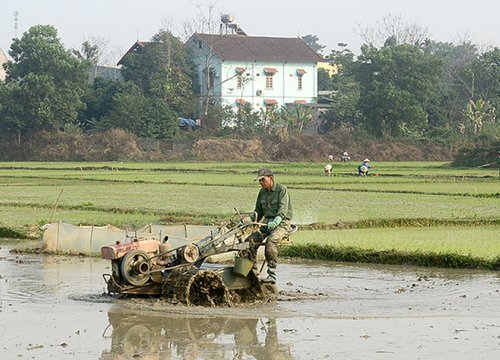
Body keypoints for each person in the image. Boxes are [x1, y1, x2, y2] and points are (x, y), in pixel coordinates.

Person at [244, 167, 293, 284]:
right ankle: (253, 272)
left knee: (271, 241)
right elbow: (258, 213)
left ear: (270, 178)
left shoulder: (281, 190)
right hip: (266, 223)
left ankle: (272, 274)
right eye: (259, 181)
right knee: (249, 242)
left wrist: (276, 221)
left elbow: (283, 210)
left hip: (282, 223)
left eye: (263, 180)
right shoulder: (262, 192)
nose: (261, 183)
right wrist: (245, 221)